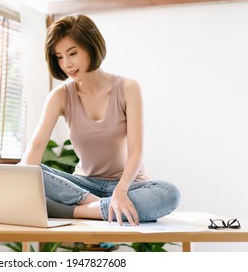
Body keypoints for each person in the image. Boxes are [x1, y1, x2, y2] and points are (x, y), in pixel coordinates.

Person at [20, 14, 180, 226]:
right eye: (59, 57)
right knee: (31, 171)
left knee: (169, 194)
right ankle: (99, 206)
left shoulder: (128, 88)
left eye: (72, 53)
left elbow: (136, 152)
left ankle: (74, 212)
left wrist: (121, 192)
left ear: (91, 46)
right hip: (83, 187)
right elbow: (36, 147)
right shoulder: (59, 96)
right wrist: (16, 181)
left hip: (129, 185)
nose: (66, 64)